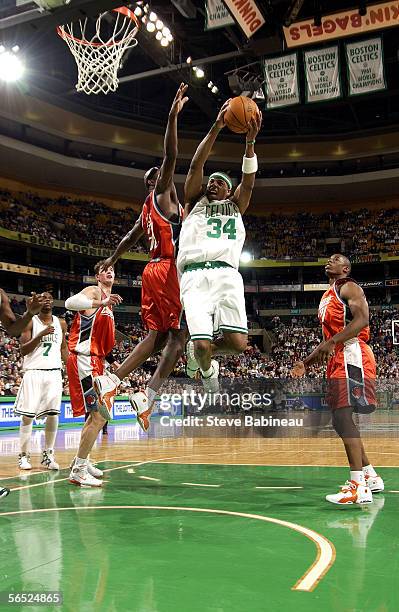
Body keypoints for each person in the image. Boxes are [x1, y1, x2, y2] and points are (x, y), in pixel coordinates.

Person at [94, 83, 189, 432]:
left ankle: (115, 383)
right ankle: (146, 392)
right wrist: (172, 118)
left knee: (161, 338)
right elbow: (171, 156)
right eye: (161, 176)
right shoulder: (161, 193)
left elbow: (129, 236)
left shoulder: (145, 209)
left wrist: (111, 260)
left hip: (151, 270)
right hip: (166, 269)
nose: (166, 178)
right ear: (156, 181)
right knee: (177, 339)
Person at [176, 101, 262, 391]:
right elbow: (195, 165)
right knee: (200, 344)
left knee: (238, 344)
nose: (212, 184)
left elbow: (248, 182)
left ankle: (205, 356)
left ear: (228, 190)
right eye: (210, 181)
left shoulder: (237, 205)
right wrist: (217, 126)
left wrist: (249, 143)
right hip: (194, 275)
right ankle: (205, 362)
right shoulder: (194, 202)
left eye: (219, 182)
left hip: (227, 275)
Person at [293, 254, 384, 505]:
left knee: (343, 417)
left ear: (345, 268)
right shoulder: (326, 296)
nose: (328, 261)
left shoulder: (349, 286)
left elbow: (363, 320)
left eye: (335, 259)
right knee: (339, 420)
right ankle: (370, 476)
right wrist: (306, 363)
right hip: (338, 356)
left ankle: (357, 486)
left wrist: (334, 342)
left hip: (352, 353)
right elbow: (327, 341)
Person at [65, 261, 122, 487]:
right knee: (99, 415)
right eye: (105, 269)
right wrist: (101, 301)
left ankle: (83, 460)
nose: (109, 271)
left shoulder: (107, 301)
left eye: (112, 270)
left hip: (95, 360)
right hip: (83, 359)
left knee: (94, 416)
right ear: (97, 275)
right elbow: (70, 302)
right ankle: (78, 470)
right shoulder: (94, 292)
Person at [14, 292, 68, 470]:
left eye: (50, 298)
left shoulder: (61, 323)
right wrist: (41, 335)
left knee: (53, 415)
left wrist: (72, 370)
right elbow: (23, 350)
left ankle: (48, 454)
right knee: (28, 415)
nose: (47, 300)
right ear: (38, 301)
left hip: (54, 373)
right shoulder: (30, 321)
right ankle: (23, 455)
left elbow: (63, 349)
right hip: (34, 372)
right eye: (44, 298)